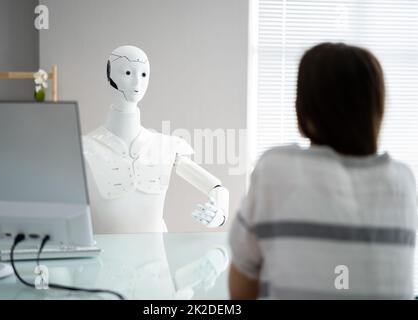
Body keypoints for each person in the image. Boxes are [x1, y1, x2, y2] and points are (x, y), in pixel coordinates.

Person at [229, 42, 418, 299]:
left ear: (304, 108)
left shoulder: (277, 169)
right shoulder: (403, 183)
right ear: (376, 109)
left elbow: (242, 280)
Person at [83, 45, 229, 233]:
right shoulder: (85, 148)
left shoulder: (166, 146)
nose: (137, 82)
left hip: (157, 260)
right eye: (128, 72)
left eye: (143, 74)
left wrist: (220, 212)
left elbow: (216, 186)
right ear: (110, 75)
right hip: (105, 260)